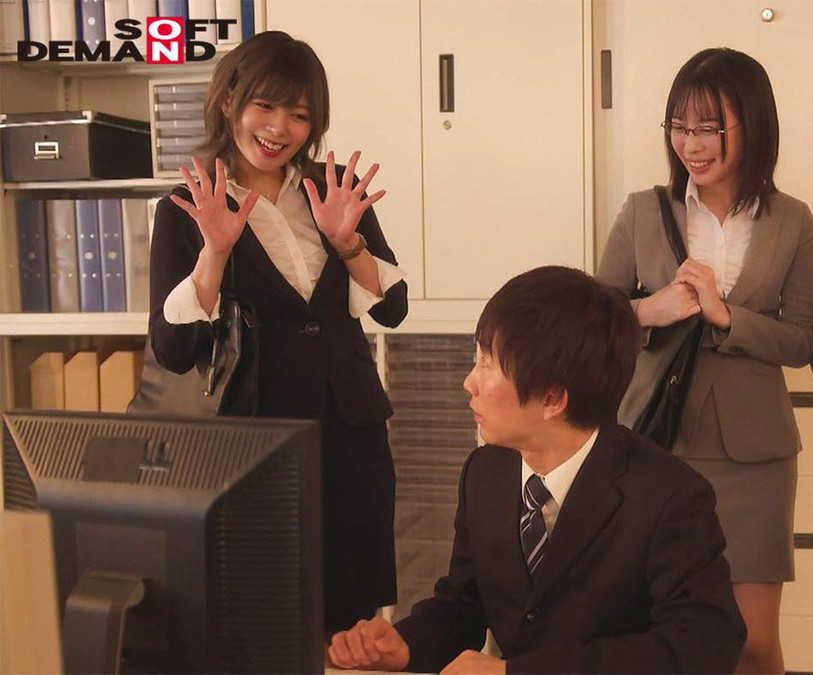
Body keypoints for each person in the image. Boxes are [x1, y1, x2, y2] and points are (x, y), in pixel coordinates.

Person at [327, 265, 746, 674]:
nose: (469, 382)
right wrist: (406, 645)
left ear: (552, 399)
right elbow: (465, 602)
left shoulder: (668, 495)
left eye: (487, 363)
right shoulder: (486, 473)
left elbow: (703, 645)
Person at [147, 30, 408, 633]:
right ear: (229, 100)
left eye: (299, 114)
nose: (279, 128)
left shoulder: (334, 189)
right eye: (265, 106)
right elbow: (174, 350)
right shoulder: (188, 206)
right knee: (264, 619)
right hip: (256, 442)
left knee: (350, 622)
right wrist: (214, 253)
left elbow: (392, 310)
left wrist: (349, 242)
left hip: (350, 435)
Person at [596, 48, 813, 674]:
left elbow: (805, 339)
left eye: (708, 127)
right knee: (650, 631)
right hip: (653, 445)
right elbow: (592, 319)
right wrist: (653, 308)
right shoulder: (643, 210)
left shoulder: (793, 220)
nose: (690, 144)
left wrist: (728, 318)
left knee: (752, 642)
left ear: (753, 124)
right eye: (679, 126)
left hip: (755, 457)